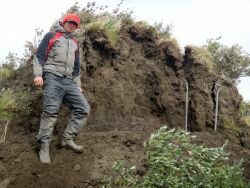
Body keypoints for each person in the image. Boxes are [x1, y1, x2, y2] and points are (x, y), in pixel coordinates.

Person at [33, 13, 90, 164]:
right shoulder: (52, 36)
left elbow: (76, 69)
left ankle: (67, 138)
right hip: (52, 77)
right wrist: (38, 75)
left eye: (75, 24)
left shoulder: (75, 43)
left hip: (69, 81)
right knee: (50, 111)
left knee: (83, 108)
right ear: (64, 22)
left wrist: (78, 86)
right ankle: (44, 147)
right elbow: (39, 57)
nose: (72, 25)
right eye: (70, 22)